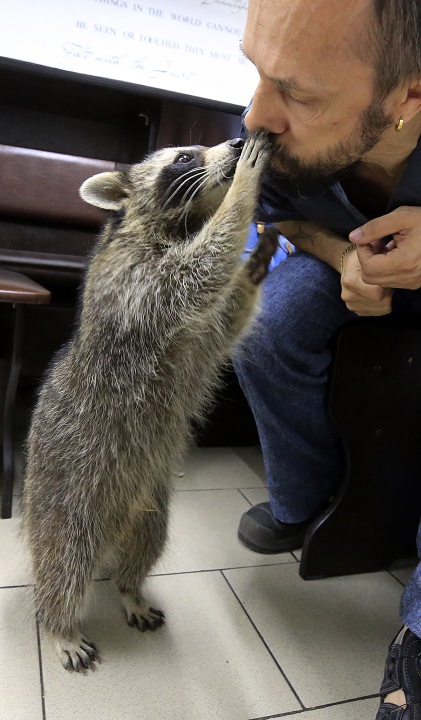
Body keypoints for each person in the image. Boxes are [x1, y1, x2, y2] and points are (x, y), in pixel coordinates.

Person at [233, 1, 421, 717]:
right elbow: (279, 216)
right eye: (256, 71)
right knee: (261, 327)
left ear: (408, 96)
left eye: (299, 93)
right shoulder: (263, 125)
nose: (255, 116)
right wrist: (344, 256)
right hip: (343, 254)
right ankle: (306, 499)